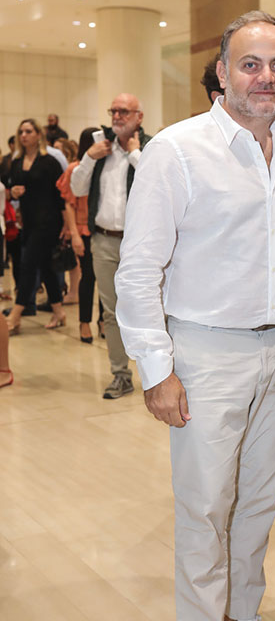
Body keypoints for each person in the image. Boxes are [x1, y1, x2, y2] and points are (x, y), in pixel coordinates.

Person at [115, 11, 275, 621]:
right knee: (203, 507)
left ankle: (242, 619)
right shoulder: (177, 150)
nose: (265, 78)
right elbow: (139, 271)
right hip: (204, 353)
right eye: (250, 64)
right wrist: (156, 370)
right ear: (223, 72)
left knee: (258, 501)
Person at [70, 94, 151, 398]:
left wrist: (134, 154)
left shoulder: (150, 147)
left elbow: (157, 185)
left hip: (140, 243)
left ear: (138, 117)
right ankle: (121, 375)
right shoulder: (99, 149)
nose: (117, 116)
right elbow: (77, 188)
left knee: (150, 309)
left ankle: (159, 375)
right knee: (111, 312)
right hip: (103, 240)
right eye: (113, 111)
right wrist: (89, 157)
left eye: (124, 111)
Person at [4, 119, 71, 334]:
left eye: (28, 131)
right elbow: (12, 189)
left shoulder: (49, 162)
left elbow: (61, 196)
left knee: (28, 264)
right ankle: (59, 311)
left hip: (49, 221)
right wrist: (14, 193)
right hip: (29, 221)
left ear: (38, 135)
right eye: (21, 131)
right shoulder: (16, 161)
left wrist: (67, 225)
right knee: (45, 266)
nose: (24, 135)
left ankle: (16, 314)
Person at [57, 128, 100, 343]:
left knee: (107, 278)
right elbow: (69, 203)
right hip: (83, 229)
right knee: (88, 275)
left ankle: (103, 320)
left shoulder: (103, 166)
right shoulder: (75, 168)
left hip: (103, 229)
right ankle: (84, 322)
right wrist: (73, 233)